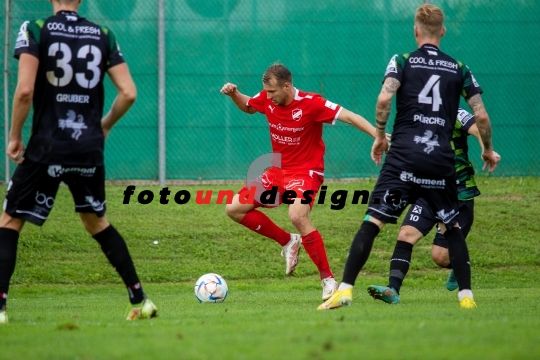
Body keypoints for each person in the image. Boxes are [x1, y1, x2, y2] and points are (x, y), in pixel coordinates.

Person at [318, 4, 499, 310]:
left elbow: (385, 97)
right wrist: (486, 149)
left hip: (403, 156)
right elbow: (481, 117)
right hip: (440, 160)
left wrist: (378, 136)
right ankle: (467, 298)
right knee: (451, 227)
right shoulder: (459, 68)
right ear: (442, 31)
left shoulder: (402, 61)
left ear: (415, 30)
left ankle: (345, 290)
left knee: (373, 221)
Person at [0, 0, 157, 324]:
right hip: (88, 148)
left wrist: (15, 135)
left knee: (10, 221)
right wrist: (105, 124)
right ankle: (141, 300)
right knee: (96, 221)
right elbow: (128, 92)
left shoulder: (36, 29)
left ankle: (0, 307)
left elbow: (25, 91)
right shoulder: (102, 33)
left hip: (47, 146)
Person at [220, 63, 377, 301]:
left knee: (297, 215)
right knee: (233, 208)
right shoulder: (267, 98)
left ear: (287, 85)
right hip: (277, 173)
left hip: (306, 173)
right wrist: (234, 94)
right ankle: (288, 241)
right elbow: (249, 106)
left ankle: (328, 280)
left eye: (272, 91)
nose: (268, 96)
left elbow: (349, 116)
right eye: (266, 91)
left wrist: (379, 135)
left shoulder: (311, 103)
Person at [367, 109, 501, 304]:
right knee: (406, 234)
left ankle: (458, 264)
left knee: (440, 257)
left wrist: (487, 149)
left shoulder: (456, 112)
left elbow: (480, 127)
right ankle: (392, 290)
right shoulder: (414, 115)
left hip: (458, 194)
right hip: (428, 190)